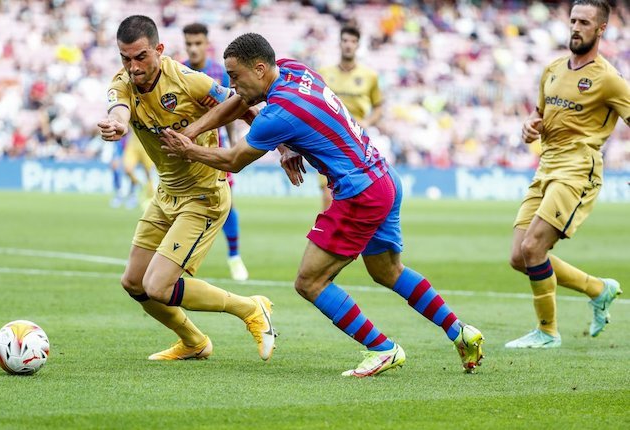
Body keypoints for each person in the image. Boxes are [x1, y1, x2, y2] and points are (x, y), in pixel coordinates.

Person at [160, 33, 484, 377]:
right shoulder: (292, 69)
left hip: (359, 192)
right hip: (384, 177)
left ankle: (382, 348)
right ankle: (460, 331)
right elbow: (245, 103)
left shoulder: (279, 113)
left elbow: (234, 159)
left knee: (309, 282)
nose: (231, 83)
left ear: (258, 69)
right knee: (388, 271)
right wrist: (194, 131)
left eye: (235, 76)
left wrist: (187, 150)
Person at [97, 16, 275, 362]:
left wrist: (282, 146)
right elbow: (118, 109)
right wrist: (117, 125)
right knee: (133, 282)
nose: (132, 67)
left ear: (159, 50)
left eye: (140, 57)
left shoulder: (189, 81)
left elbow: (243, 106)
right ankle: (194, 342)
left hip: (203, 196)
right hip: (166, 194)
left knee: (158, 287)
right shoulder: (122, 83)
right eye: (125, 58)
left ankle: (250, 308)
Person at [506, 0, 628, 348]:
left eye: (585, 22)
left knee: (533, 247)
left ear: (601, 29)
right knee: (520, 257)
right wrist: (529, 127)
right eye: (573, 20)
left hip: (577, 170)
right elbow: (538, 116)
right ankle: (598, 289)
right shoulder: (553, 69)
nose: (576, 27)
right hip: (546, 167)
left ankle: (547, 332)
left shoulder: (609, 79)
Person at [182, 23, 249, 281]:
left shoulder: (219, 72)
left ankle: (234, 257)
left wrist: (232, 146)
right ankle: (180, 259)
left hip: (214, 151)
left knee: (228, 203)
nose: (193, 48)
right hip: (186, 151)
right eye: (189, 44)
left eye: (198, 43)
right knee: (184, 203)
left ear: (206, 43)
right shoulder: (179, 70)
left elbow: (231, 110)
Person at [317, 25, 384, 211]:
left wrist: (368, 122)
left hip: (357, 140)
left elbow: (379, 107)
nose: (348, 45)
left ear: (358, 45)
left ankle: (348, 235)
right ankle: (328, 236)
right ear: (340, 43)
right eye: (345, 40)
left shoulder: (370, 76)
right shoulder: (323, 73)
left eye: (353, 42)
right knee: (328, 191)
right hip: (328, 139)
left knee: (358, 193)